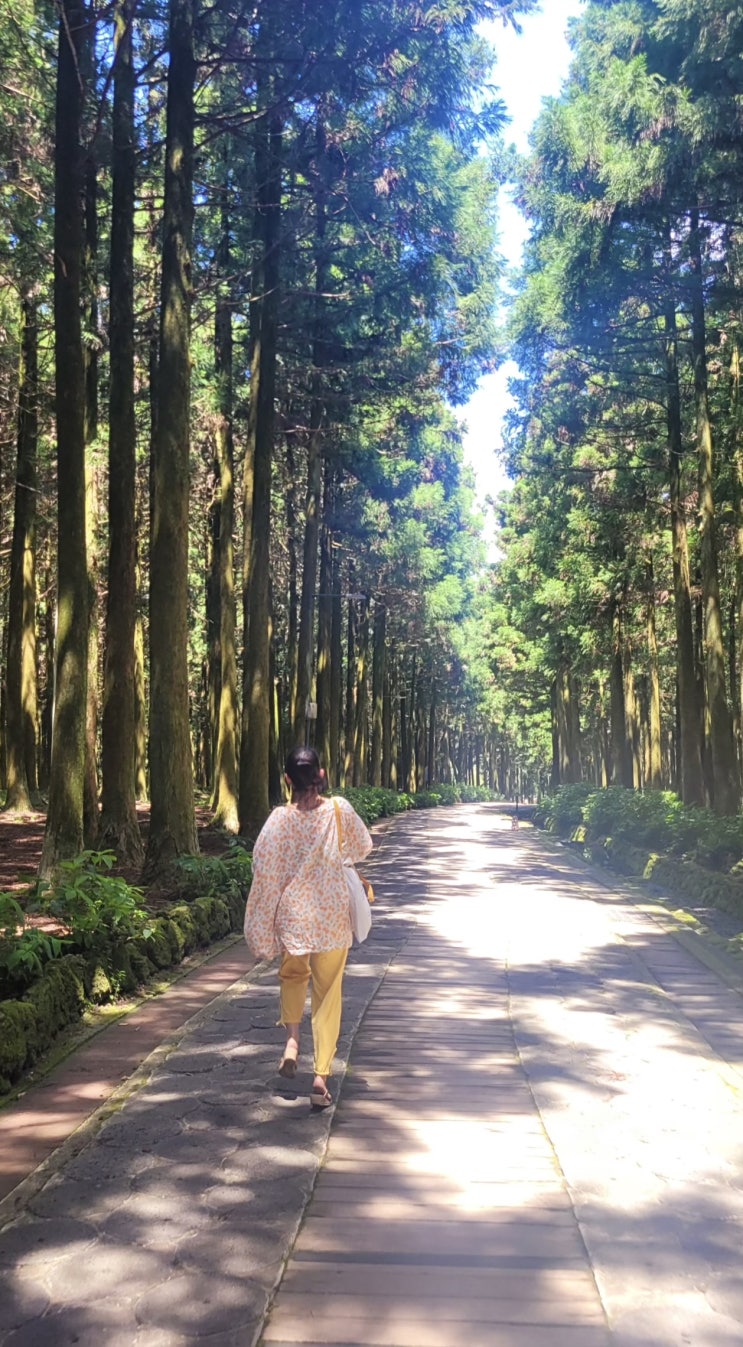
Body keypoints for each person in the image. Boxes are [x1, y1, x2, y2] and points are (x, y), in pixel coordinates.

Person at [243, 746, 373, 1109]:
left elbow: (262, 868)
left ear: (287, 779)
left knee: (292, 976)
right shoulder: (339, 809)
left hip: (294, 919)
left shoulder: (278, 821)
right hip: (331, 916)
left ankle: (292, 1041)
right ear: (321, 775)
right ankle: (320, 1077)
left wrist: (261, 922)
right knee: (328, 993)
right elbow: (364, 846)